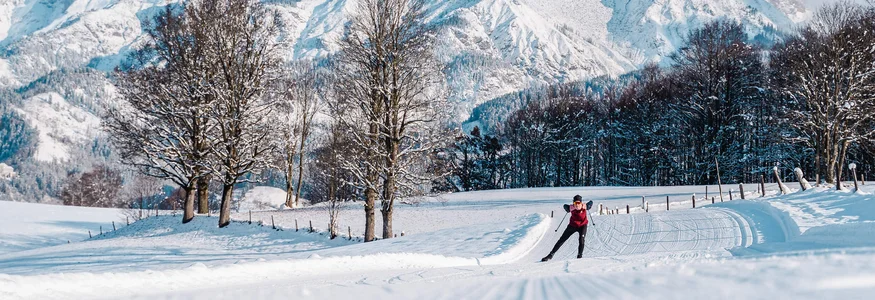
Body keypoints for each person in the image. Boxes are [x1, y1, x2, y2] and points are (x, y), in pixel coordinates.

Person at [541, 195, 591, 262]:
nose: (577, 205)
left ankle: (579, 256)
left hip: (582, 225)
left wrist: (588, 206)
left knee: (581, 239)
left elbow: (591, 202)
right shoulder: (572, 208)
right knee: (562, 239)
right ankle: (551, 255)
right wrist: (568, 208)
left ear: (581, 203)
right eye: (575, 203)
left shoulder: (584, 207)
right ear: (573, 203)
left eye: (578, 203)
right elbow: (565, 206)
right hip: (572, 225)